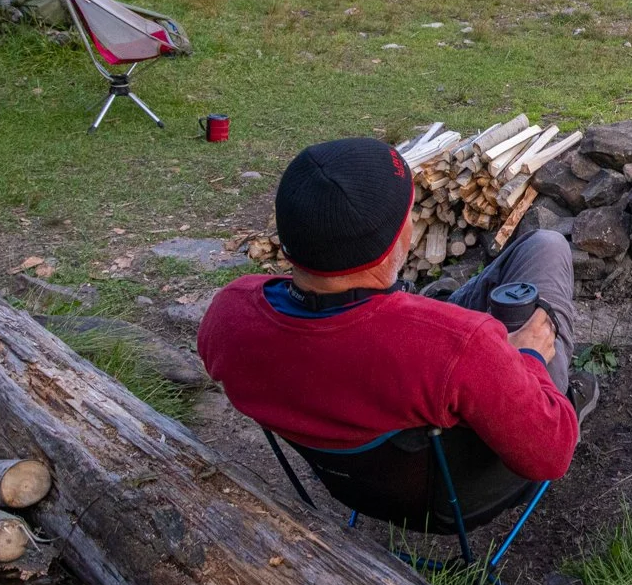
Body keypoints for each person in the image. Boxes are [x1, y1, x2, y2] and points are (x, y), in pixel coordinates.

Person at [198, 137, 595, 483]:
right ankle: (563, 392)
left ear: (288, 245)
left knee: (540, 245)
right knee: (550, 250)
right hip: (455, 487)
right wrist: (525, 357)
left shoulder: (230, 313)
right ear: (398, 242)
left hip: (357, 468)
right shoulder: (461, 346)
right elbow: (549, 456)